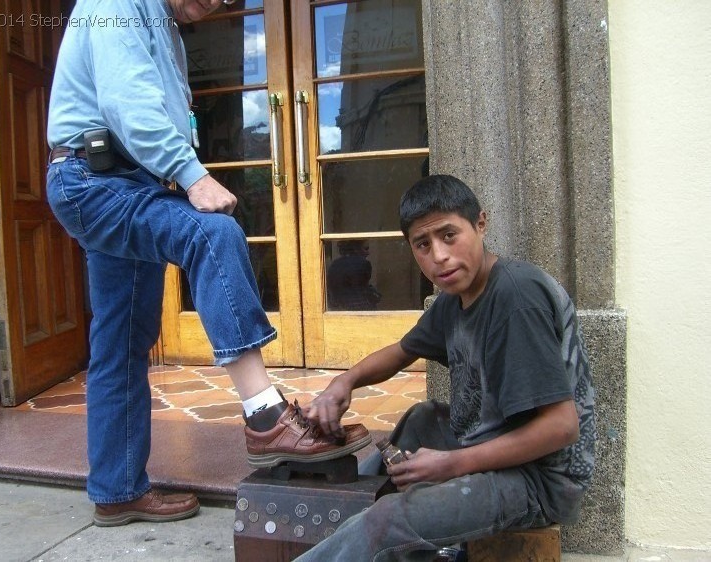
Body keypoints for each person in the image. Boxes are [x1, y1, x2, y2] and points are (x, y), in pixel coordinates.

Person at [45, 0, 369, 527]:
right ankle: (265, 416)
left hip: (122, 181)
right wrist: (191, 175)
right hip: (95, 182)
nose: (219, 1)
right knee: (212, 233)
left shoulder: (163, 23)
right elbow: (128, 102)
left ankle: (117, 490)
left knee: (122, 340)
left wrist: (172, 172)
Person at [300, 175, 596, 560]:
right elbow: (402, 351)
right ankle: (362, 521)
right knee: (421, 419)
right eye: (423, 245)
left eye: (449, 235)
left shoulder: (515, 297)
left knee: (386, 522)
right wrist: (347, 381)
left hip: (540, 480)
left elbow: (561, 426)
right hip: (493, 444)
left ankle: (376, 527)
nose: (438, 255)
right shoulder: (454, 299)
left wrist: (451, 464)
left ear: (480, 224)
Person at [327, 240, 382, 310]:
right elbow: (361, 289)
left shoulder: (334, 265)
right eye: (366, 248)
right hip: (360, 308)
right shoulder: (363, 263)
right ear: (356, 249)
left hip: (339, 308)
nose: (368, 253)